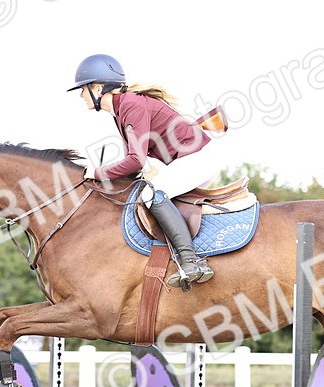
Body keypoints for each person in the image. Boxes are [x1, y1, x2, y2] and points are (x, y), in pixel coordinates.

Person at [68, 53, 220, 287]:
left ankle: (191, 261)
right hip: (192, 161)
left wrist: (97, 173)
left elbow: (135, 161)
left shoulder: (131, 105)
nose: (80, 95)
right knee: (147, 192)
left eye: (83, 89)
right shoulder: (121, 110)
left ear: (98, 88)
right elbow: (133, 164)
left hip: (199, 160)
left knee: (151, 194)